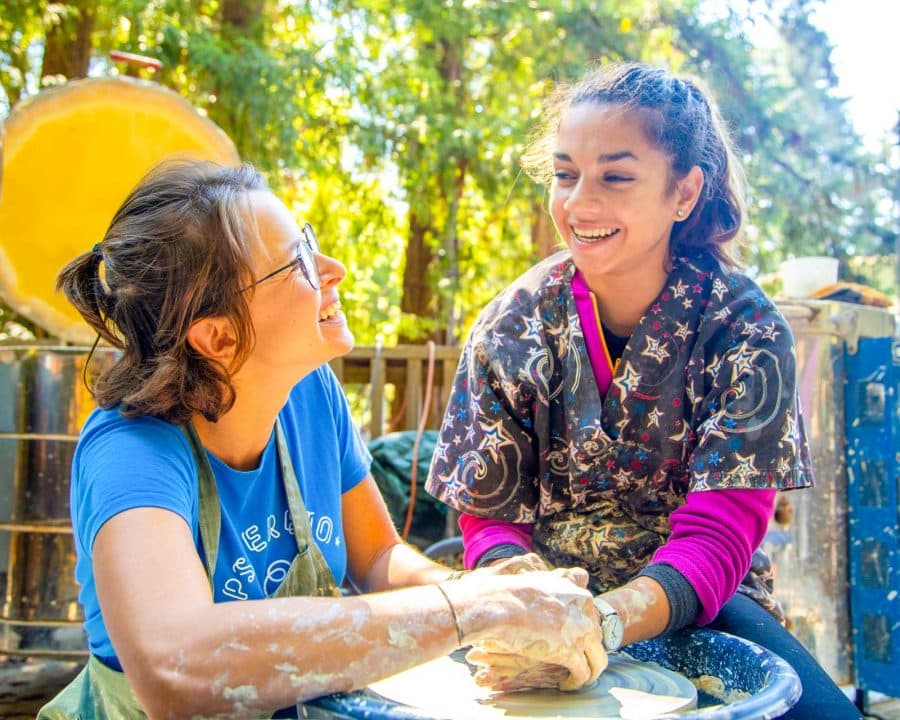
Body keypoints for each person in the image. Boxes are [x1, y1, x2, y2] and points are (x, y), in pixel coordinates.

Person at [38, 160, 606, 719]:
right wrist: (467, 608)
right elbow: (176, 667)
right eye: (298, 264)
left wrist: (490, 592)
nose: (332, 267)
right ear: (219, 337)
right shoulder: (129, 451)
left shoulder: (312, 396)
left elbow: (379, 558)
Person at [426, 62, 862, 719]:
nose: (578, 204)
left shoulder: (744, 330)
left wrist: (601, 622)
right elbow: (489, 515)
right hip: (540, 610)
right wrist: (526, 604)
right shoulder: (511, 326)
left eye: (616, 177)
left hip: (701, 606)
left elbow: (720, 540)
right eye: (565, 173)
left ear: (683, 192)